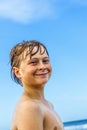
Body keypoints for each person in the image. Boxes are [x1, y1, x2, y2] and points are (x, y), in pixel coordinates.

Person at [10, 40, 64, 130]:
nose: (42, 66)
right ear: (18, 72)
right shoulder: (29, 108)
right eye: (34, 62)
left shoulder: (48, 104)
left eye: (45, 61)